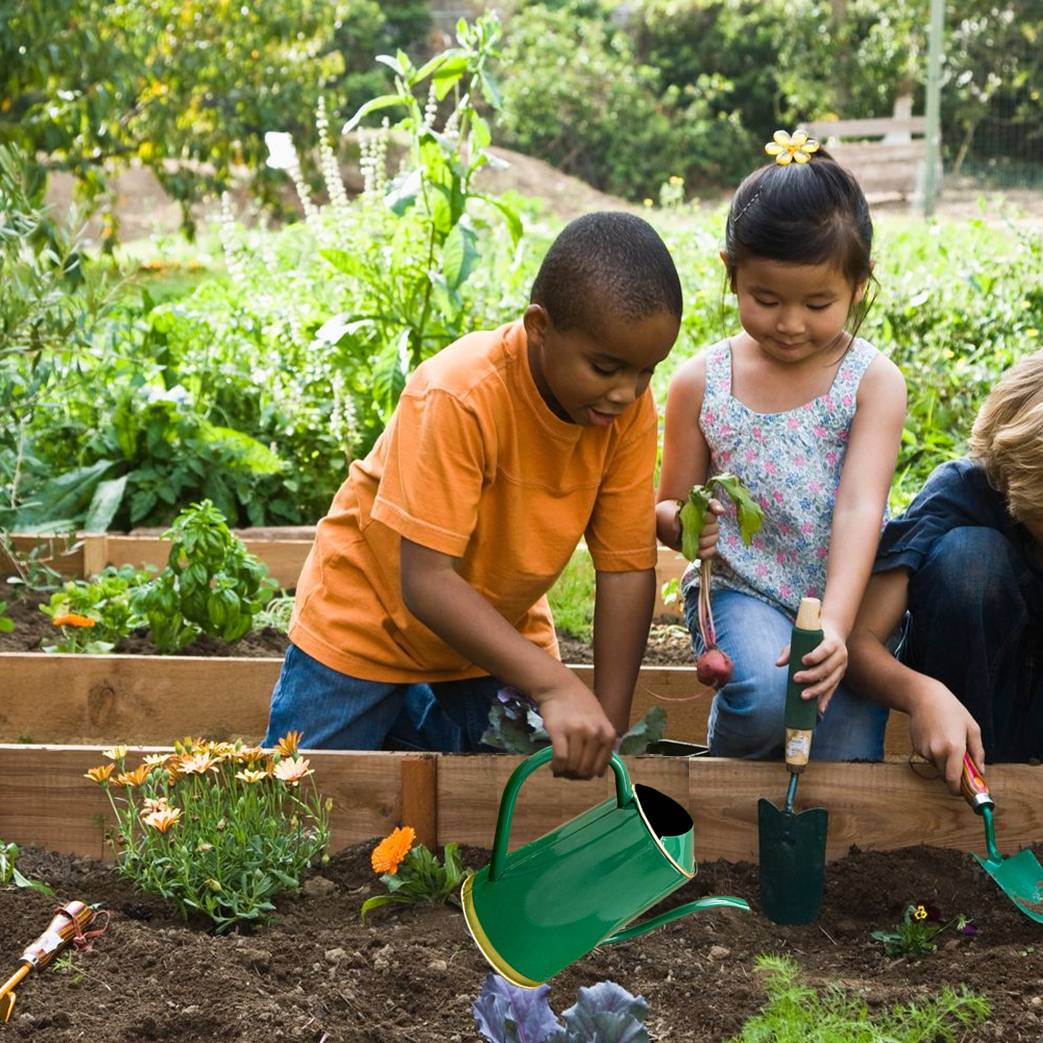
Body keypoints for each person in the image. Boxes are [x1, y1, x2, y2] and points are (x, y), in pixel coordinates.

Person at [263, 211, 682, 780]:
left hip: (492, 628)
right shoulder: (460, 394)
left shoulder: (624, 411)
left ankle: (409, 712)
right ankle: (396, 703)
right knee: (303, 799)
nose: (626, 392)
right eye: (605, 367)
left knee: (538, 783)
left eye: (646, 371)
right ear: (539, 327)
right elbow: (427, 582)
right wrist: (556, 685)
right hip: (369, 617)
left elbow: (627, 569)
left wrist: (604, 726)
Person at [655, 129, 906, 760]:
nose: (790, 323)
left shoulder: (871, 383)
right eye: (766, 299)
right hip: (746, 590)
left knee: (843, 757)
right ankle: (721, 806)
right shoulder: (701, 382)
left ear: (858, 285)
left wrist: (838, 629)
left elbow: (859, 508)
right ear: (731, 273)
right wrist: (687, 527)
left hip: (844, 594)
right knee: (766, 697)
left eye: (818, 303)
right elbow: (666, 507)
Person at [847, 349, 1043, 792]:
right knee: (969, 559)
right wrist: (921, 695)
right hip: (976, 706)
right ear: (1012, 479)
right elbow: (859, 642)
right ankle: (972, 780)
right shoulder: (961, 493)